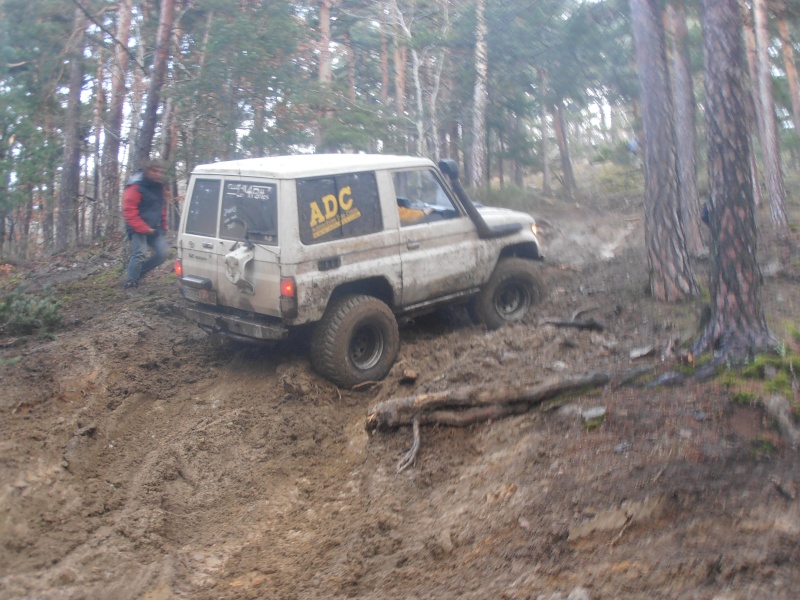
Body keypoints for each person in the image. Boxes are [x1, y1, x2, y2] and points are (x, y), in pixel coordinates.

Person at [123, 158, 168, 288]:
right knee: (140, 253)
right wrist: (143, 228)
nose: (158, 174)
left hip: (154, 227)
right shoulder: (136, 186)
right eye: (155, 171)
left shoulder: (159, 186)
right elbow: (129, 210)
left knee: (162, 254)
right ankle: (130, 282)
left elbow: (161, 207)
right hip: (137, 227)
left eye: (160, 172)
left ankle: (137, 273)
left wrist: (164, 224)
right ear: (148, 171)